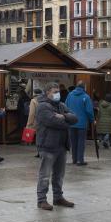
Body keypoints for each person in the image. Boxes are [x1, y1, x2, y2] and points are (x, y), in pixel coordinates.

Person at [35, 82, 78, 211]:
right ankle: (41, 200)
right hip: (48, 145)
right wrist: (67, 122)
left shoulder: (61, 105)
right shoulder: (42, 106)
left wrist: (63, 116)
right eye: (54, 92)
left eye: (58, 91)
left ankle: (58, 197)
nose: (57, 94)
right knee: (45, 175)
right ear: (47, 92)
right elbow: (52, 121)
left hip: (62, 145)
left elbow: (75, 118)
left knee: (59, 175)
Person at [65, 81, 94, 166]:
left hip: (71, 122)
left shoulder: (69, 95)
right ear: (84, 87)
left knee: (73, 142)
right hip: (81, 123)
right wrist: (92, 120)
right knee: (81, 142)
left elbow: (65, 107)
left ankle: (74, 159)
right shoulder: (86, 97)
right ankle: (80, 160)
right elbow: (89, 111)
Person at [27, 88, 43, 157]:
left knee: (38, 137)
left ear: (34, 93)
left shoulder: (33, 101)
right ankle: (43, 152)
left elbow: (32, 113)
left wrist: (29, 124)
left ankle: (39, 152)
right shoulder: (44, 99)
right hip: (45, 121)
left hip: (37, 121)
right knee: (43, 137)